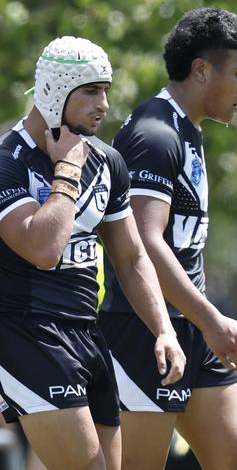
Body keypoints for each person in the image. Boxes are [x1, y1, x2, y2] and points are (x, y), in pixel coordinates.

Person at [0, 35, 185, 470]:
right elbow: (42, 249)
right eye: (90, 91)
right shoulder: (7, 161)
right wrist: (67, 169)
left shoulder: (107, 161)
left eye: (106, 89)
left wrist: (163, 329)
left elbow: (131, 256)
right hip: (24, 333)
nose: (103, 103)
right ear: (53, 91)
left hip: (87, 332)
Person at [99, 7, 237, 470]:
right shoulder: (156, 134)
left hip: (191, 326)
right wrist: (213, 320)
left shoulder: (187, 132)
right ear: (200, 70)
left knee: (236, 462)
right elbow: (146, 244)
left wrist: (204, 323)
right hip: (143, 330)